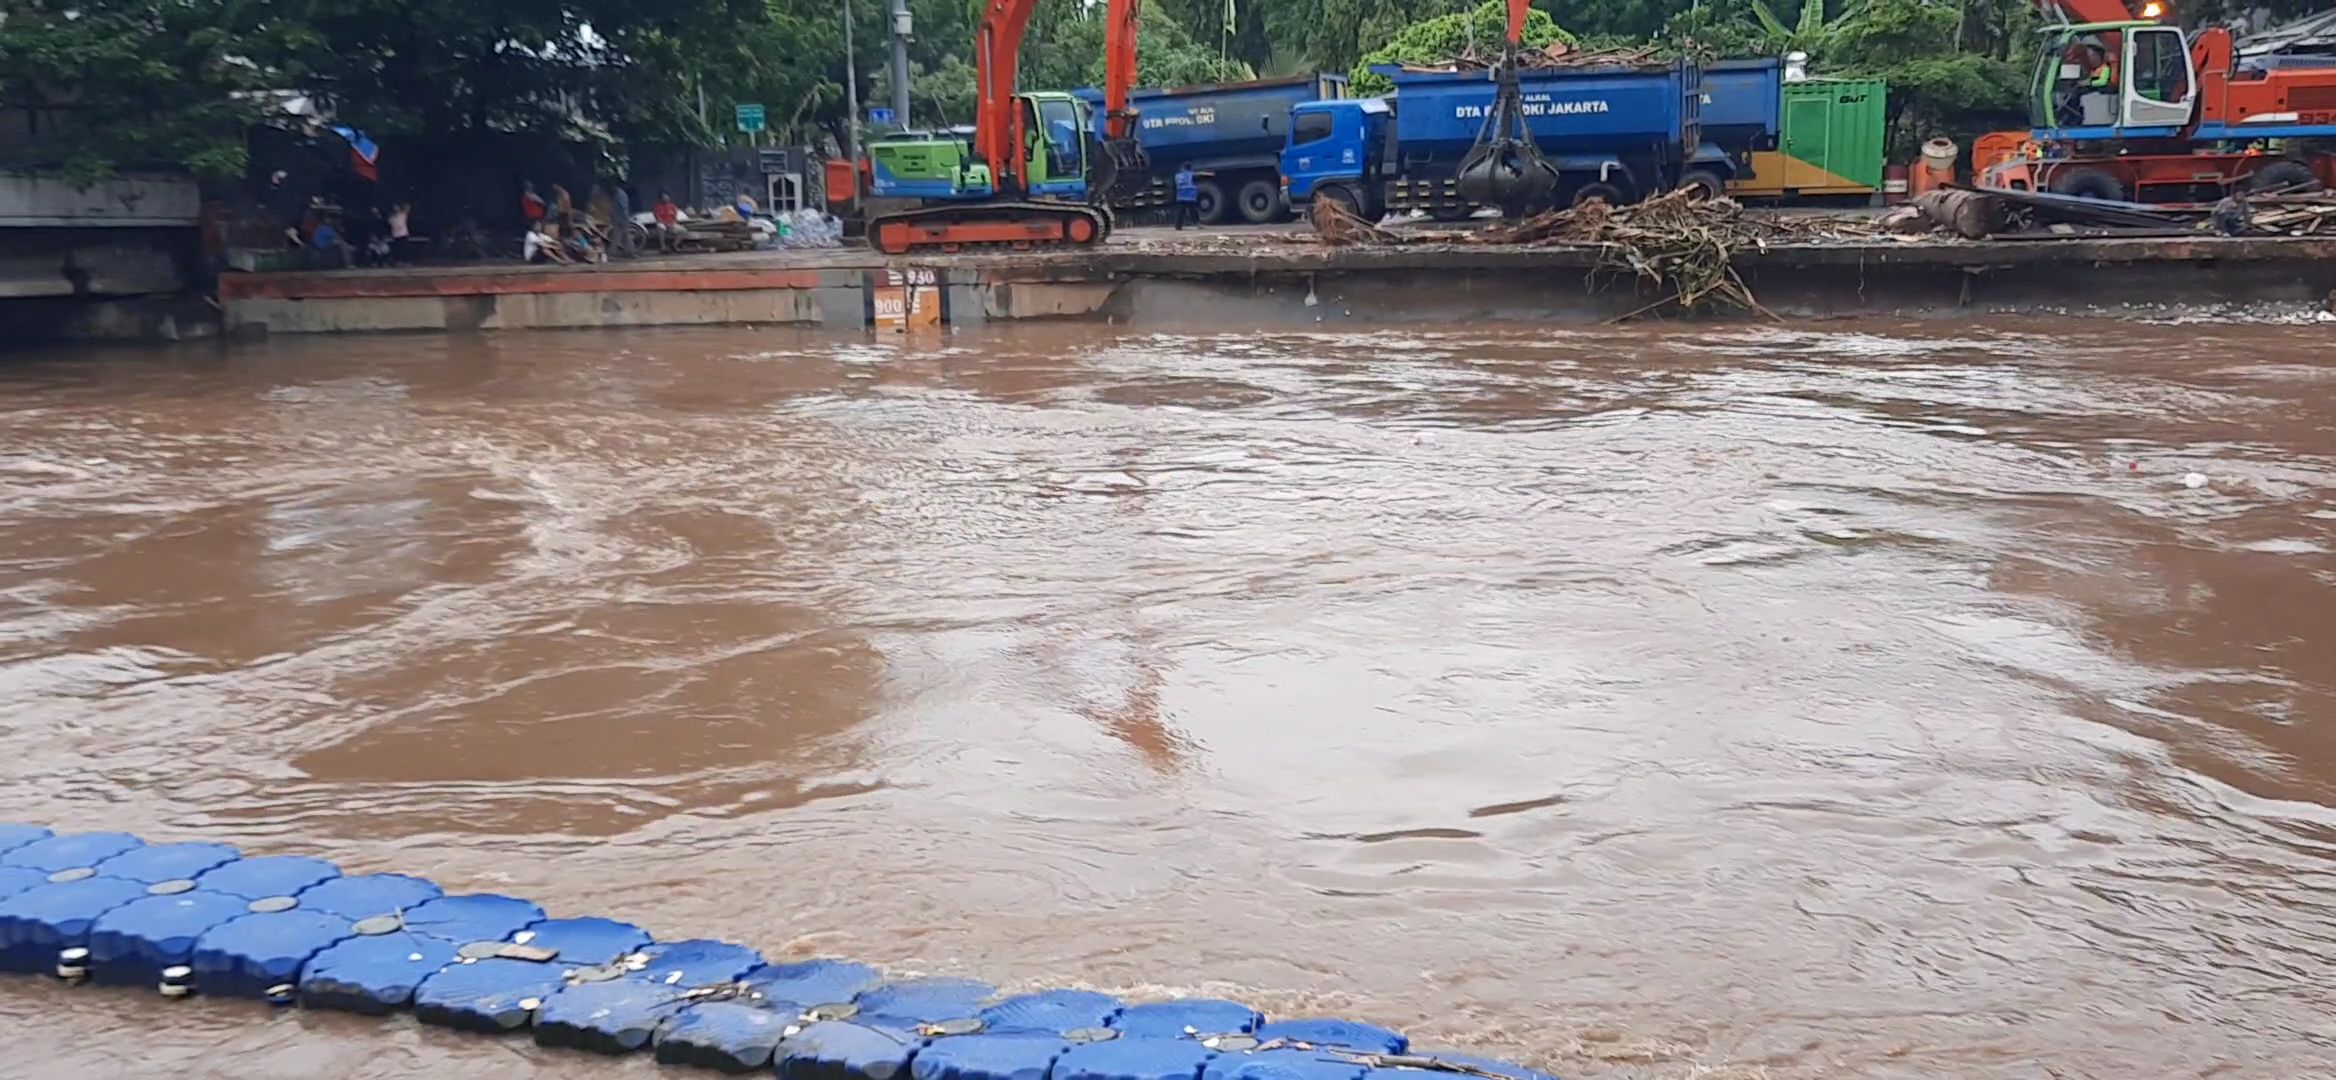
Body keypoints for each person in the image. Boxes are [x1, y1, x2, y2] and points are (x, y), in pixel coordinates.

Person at [1173, 163, 1200, 230]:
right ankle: (1197, 224)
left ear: (1183, 168)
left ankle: (1178, 226)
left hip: (1181, 196)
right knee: (1193, 212)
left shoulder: (1177, 176)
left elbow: (1174, 187)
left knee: (1180, 212)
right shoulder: (1192, 174)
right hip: (1190, 196)